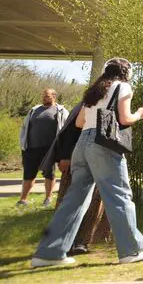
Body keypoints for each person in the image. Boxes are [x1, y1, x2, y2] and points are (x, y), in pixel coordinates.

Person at [31, 58, 143, 268]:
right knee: (119, 195)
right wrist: (140, 114)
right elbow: (125, 119)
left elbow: (80, 122)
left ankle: (48, 253)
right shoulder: (123, 86)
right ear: (126, 72)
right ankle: (131, 250)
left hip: (82, 144)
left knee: (74, 199)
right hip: (103, 145)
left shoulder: (94, 92)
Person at [40, 106, 110, 255]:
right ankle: (62, 243)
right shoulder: (86, 105)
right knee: (70, 201)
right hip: (76, 161)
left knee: (94, 203)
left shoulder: (103, 101)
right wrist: (65, 156)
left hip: (97, 158)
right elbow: (70, 131)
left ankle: (81, 242)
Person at [18, 88, 68, 207]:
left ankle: (48, 198)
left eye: (47, 96)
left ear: (54, 97)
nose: (44, 98)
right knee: (28, 175)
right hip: (31, 148)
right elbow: (24, 127)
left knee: (49, 174)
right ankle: (23, 200)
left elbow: (66, 129)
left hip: (49, 149)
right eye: (43, 96)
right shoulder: (34, 110)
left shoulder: (61, 111)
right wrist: (23, 144)